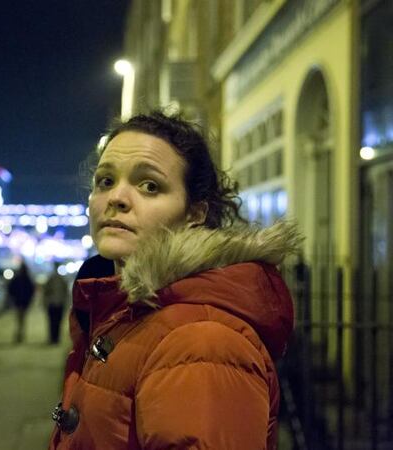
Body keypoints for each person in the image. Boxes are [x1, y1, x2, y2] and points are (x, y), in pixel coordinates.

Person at [48, 111, 302, 449]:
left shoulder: (203, 343)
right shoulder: (119, 311)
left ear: (195, 213)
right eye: (105, 181)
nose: (117, 199)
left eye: (150, 186)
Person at [8, 261, 36, 343]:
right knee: (22, 319)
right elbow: (31, 290)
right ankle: (20, 335)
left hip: (19, 302)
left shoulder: (18, 279)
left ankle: (19, 335)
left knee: (19, 319)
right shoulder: (27, 279)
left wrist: (13, 297)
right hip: (23, 302)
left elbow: (11, 289)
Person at [42, 261, 70, 345]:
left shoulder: (56, 280)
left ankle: (54, 338)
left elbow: (65, 293)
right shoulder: (58, 280)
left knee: (54, 322)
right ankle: (54, 338)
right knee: (55, 322)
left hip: (56, 304)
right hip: (55, 304)